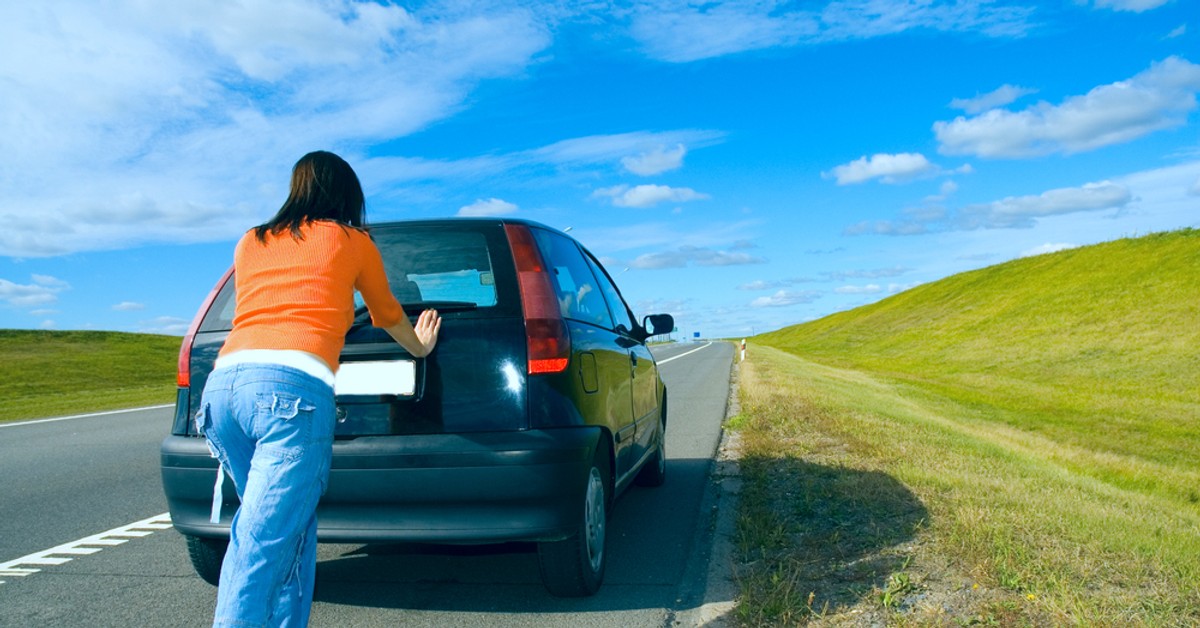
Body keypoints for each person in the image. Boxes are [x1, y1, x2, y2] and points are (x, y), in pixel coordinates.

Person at [196, 150, 440, 627]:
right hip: (288, 397)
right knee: (261, 543)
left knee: (290, 531)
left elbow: (269, 307)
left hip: (224, 392)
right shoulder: (351, 240)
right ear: (348, 194)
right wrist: (420, 348)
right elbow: (387, 312)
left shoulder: (251, 240)